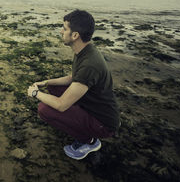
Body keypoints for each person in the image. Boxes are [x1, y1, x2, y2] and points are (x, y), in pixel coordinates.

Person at [27, 10, 120, 160]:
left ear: (75, 35)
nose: (61, 31)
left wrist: (35, 93)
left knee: (44, 109)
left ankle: (89, 142)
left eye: (64, 28)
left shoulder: (89, 64)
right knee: (53, 88)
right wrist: (46, 82)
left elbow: (61, 105)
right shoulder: (84, 50)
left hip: (103, 123)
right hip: (91, 105)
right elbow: (73, 78)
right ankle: (78, 122)